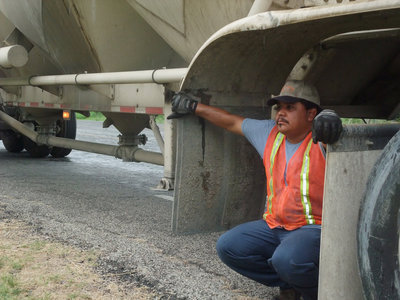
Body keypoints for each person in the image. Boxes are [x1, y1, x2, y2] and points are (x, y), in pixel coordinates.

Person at [168, 80, 342, 300]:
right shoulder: (269, 134)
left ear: (311, 114)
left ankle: (315, 293)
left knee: (286, 259)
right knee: (229, 247)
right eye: (279, 107)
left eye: (290, 107)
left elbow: (338, 133)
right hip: (274, 225)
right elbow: (231, 122)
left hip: (312, 229)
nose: (281, 113)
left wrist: (331, 120)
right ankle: (290, 283)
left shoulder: (324, 141)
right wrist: (193, 107)